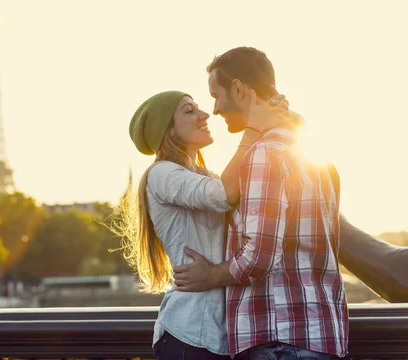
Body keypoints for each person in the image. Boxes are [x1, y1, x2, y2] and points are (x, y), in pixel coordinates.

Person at [173, 47, 349, 360]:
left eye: (217, 95)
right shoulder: (320, 161)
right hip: (320, 333)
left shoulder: (264, 155)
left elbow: (258, 257)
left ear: (239, 89)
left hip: (279, 339)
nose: (214, 109)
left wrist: (210, 275)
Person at [120, 90, 292, 359]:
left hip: (217, 337)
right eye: (189, 111)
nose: (205, 115)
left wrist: (273, 117)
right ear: (169, 131)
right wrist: (253, 126)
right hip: (191, 334)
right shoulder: (162, 173)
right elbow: (224, 194)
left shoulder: (203, 176)